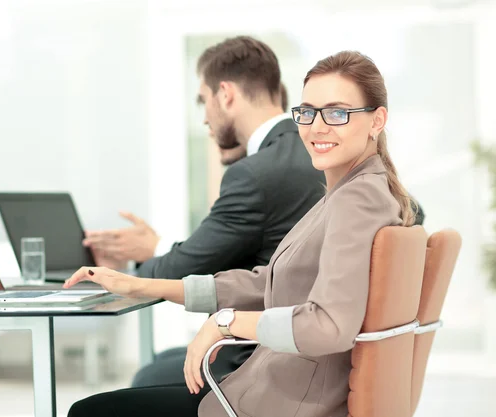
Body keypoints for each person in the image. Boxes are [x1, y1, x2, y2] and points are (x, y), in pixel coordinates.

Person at [65, 50, 417, 417]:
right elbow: (268, 282)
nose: (317, 126)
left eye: (337, 113)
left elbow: (328, 325)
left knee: (89, 411)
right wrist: (144, 285)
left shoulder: (356, 200)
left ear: (377, 120)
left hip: (283, 402)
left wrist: (225, 323)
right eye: (308, 112)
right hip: (276, 389)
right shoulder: (352, 191)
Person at [83, 36, 326, 387]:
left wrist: (124, 271)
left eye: (203, 101)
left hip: (267, 357)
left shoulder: (257, 173)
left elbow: (185, 268)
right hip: (302, 347)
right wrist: (155, 248)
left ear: (225, 94)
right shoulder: (315, 154)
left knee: (128, 388)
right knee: (162, 363)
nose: (205, 119)